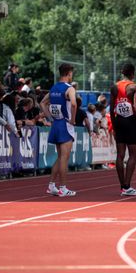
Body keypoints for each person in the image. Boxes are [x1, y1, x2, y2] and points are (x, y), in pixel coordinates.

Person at [40, 63, 77, 197]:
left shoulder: (54, 87)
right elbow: (73, 104)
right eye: (72, 73)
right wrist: (73, 120)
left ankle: (51, 186)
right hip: (66, 125)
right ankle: (63, 188)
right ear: (69, 73)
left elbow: (42, 103)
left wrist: (50, 118)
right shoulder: (69, 88)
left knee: (60, 157)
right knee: (64, 158)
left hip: (56, 124)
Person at [110, 63, 136, 196]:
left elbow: (111, 108)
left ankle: (123, 186)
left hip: (118, 121)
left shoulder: (114, 87)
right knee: (133, 155)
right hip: (130, 122)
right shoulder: (134, 87)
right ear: (133, 73)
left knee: (120, 155)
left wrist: (113, 127)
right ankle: (127, 185)